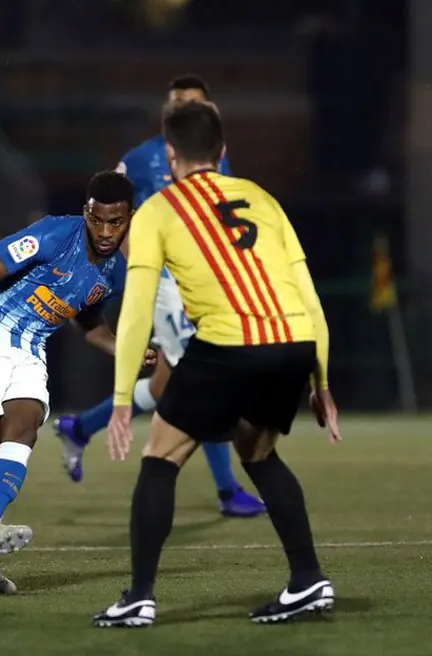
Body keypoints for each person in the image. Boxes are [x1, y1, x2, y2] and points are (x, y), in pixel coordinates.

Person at [93, 101, 341, 628]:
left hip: (230, 342)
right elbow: (308, 294)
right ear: (223, 151)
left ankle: (138, 596)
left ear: (169, 153)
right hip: (292, 339)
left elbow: (137, 309)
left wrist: (120, 400)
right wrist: (321, 379)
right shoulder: (261, 198)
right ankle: (308, 579)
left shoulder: (159, 209)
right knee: (258, 450)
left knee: (161, 456)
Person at [0, 171, 145, 594]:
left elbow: (89, 322)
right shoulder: (55, 233)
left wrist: (123, 348)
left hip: (30, 349)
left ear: (130, 218)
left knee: (25, 425)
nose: (106, 232)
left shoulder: (117, 271)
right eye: (98, 220)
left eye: (117, 222)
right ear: (85, 213)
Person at [53, 75, 267, 518]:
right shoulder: (141, 157)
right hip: (165, 284)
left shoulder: (215, 158)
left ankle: (80, 427)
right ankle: (228, 492)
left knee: (167, 384)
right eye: (176, 104)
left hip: (200, 283)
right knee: (201, 376)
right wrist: (136, 264)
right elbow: (108, 210)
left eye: (192, 103)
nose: (182, 110)